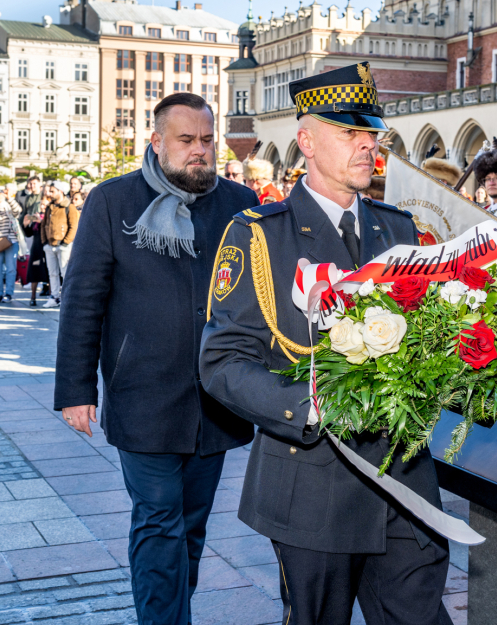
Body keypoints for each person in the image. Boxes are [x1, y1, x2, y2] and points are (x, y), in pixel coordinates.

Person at [200, 62, 453, 625]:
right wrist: (309, 404)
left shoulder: (399, 229)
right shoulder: (260, 234)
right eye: (349, 133)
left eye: (371, 133)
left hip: (403, 479)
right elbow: (222, 362)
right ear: (307, 141)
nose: (368, 145)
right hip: (315, 482)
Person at [55, 92, 258, 625]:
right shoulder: (112, 201)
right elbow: (83, 300)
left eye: (207, 140)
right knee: (158, 521)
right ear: (157, 142)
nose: (199, 150)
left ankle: (172, 613)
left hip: (217, 401)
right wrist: (76, 390)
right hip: (142, 394)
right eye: (186, 140)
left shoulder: (241, 204)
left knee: (190, 527)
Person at [40, 182, 78, 309]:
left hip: (63, 245)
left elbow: (74, 226)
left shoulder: (69, 207)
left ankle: (67, 298)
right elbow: (43, 224)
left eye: (53, 191)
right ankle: (54, 297)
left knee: (65, 272)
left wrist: (66, 242)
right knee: (52, 273)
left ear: (60, 191)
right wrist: (44, 242)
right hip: (50, 245)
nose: (50, 193)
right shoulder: (50, 207)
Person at [23, 197, 49, 307]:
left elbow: (50, 230)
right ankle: (33, 297)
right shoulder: (37, 216)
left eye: (45, 205)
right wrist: (26, 225)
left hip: (47, 246)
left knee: (49, 272)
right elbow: (29, 233)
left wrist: (41, 222)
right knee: (34, 272)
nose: (42, 207)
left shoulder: (50, 216)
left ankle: (52, 296)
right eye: (41, 204)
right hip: (36, 247)